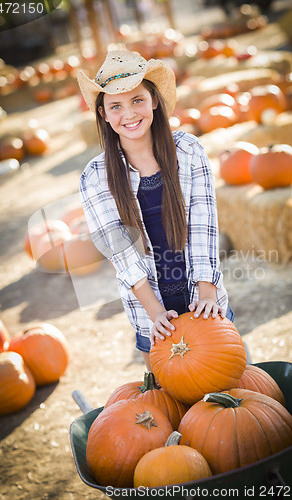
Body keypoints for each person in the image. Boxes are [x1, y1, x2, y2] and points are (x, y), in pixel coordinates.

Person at [77, 49, 234, 372]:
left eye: (137, 100)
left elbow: (205, 226)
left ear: (154, 101)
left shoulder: (188, 151)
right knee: (171, 409)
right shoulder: (95, 177)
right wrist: (156, 314)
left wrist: (207, 295)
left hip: (203, 300)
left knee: (227, 396)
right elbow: (122, 253)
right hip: (151, 315)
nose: (129, 114)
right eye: (115, 106)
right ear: (103, 114)